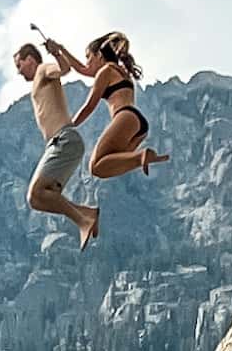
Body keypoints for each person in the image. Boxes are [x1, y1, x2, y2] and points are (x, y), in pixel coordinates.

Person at [47, 31, 169, 180]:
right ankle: (141, 157)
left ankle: (141, 156)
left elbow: (89, 106)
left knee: (95, 165)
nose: (86, 63)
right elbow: (82, 69)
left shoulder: (106, 71)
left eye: (88, 57)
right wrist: (61, 49)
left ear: (99, 55)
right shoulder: (120, 71)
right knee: (104, 167)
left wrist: (67, 128)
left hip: (125, 117)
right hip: (138, 125)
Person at [14, 40, 100, 251]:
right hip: (60, 144)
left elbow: (64, 69)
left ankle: (84, 220)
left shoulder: (43, 70)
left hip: (64, 140)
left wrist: (57, 53)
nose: (18, 71)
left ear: (31, 60)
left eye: (19, 65)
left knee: (35, 194)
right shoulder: (38, 80)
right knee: (40, 199)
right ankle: (86, 214)